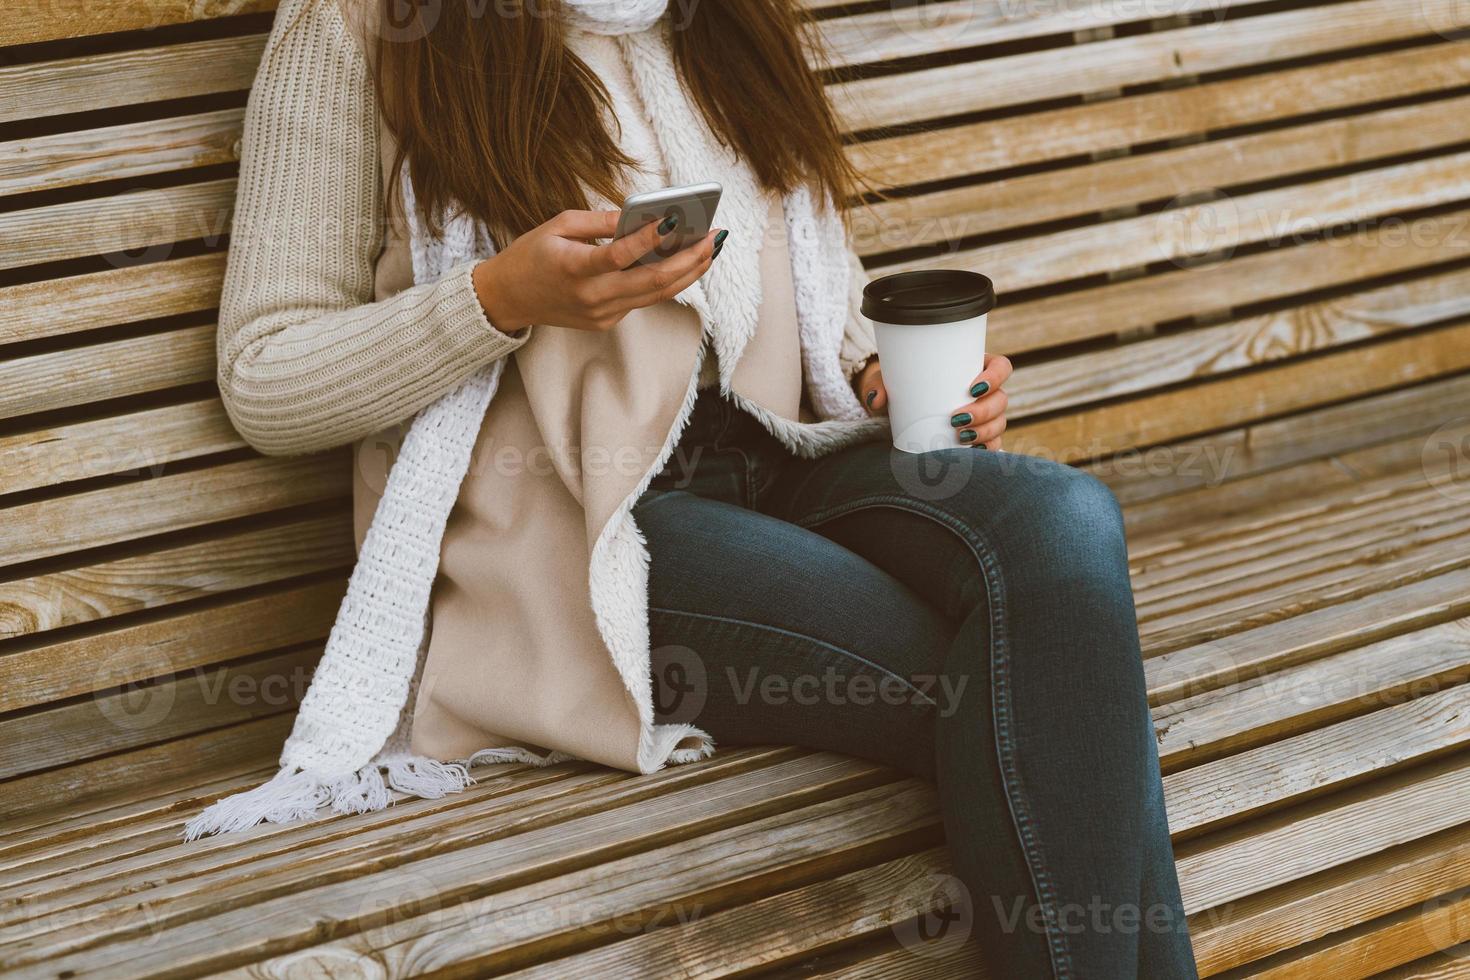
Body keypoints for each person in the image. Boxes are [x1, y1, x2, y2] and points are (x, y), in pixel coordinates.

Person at [208, 0, 1197, 974]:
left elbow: (808, 286)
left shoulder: (721, 14)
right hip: (587, 520)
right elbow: (266, 378)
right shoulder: (359, 25)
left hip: (781, 448)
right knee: (1040, 674)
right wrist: (498, 299)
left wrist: (873, 373)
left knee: (1065, 520)